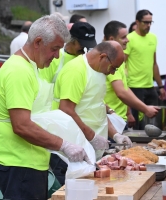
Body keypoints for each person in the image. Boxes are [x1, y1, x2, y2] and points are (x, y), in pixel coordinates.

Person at [0, 14, 88, 200]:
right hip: (19, 165)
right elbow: (22, 125)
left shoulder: (30, 66)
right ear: (38, 42)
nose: (57, 55)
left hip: (29, 163)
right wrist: (63, 144)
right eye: (55, 49)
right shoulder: (19, 71)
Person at [51, 41, 133, 184]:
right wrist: (93, 136)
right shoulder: (76, 71)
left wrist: (115, 134)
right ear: (103, 57)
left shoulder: (100, 71)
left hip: (90, 150)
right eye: (113, 67)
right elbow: (66, 109)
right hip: (71, 150)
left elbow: (97, 107)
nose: (112, 72)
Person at [103, 20, 159, 129]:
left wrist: (128, 112)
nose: (127, 40)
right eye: (123, 37)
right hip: (112, 120)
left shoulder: (117, 59)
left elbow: (124, 87)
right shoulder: (109, 60)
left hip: (119, 118)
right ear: (112, 39)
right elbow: (121, 92)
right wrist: (145, 109)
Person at [124, 9, 166, 129]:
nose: (148, 25)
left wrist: (161, 86)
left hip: (150, 86)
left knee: (154, 122)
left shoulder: (153, 38)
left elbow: (154, 63)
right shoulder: (129, 39)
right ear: (137, 22)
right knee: (138, 125)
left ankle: (153, 146)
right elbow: (122, 63)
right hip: (135, 86)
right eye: (145, 22)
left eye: (150, 23)